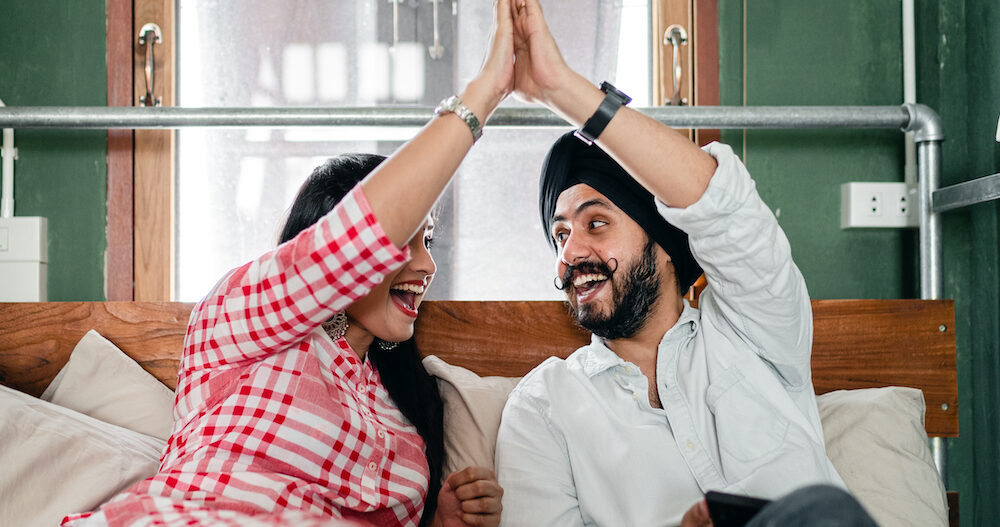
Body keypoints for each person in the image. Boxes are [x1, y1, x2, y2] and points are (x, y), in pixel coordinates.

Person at [61, 1, 518, 526]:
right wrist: (484, 94)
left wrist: (442, 522)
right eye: (405, 241)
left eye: (428, 242)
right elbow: (344, 248)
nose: (425, 265)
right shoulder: (238, 323)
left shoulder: (407, 423)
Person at [494, 1, 878, 526]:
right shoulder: (544, 406)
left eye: (596, 223)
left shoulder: (756, 328)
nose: (570, 253)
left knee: (825, 510)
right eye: (559, 234)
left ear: (663, 239)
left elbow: (727, 208)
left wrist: (565, 91)